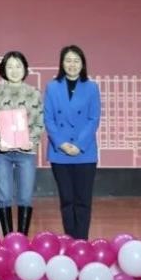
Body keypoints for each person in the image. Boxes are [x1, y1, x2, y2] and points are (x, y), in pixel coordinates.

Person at [44, 44, 101, 240]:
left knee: (83, 200)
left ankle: (82, 241)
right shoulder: (52, 87)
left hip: (84, 152)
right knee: (66, 200)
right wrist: (61, 143)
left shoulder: (91, 87)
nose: (72, 64)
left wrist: (79, 144)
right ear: (61, 63)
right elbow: (49, 119)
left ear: (83, 64)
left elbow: (93, 119)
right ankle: (69, 240)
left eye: (76, 61)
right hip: (59, 152)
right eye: (68, 60)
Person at [0, 51, 44, 235]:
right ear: (3, 69)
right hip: (2, 152)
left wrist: (31, 140)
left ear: (25, 69)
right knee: (3, 196)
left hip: (26, 152)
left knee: (25, 197)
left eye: (18, 66)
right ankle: (8, 238)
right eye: (10, 66)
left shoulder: (33, 93)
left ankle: (22, 238)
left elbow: (39, 122)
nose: (14, 70)